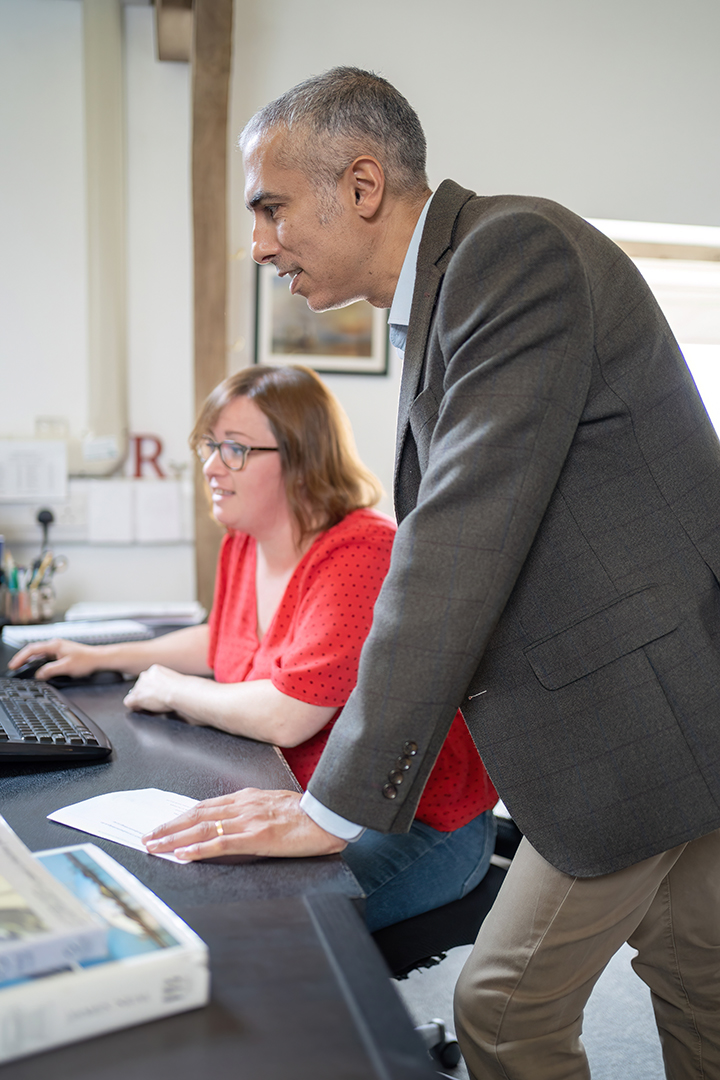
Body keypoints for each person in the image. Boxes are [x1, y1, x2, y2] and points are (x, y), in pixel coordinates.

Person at [136, 68, 720, 1079]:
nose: (261, 242)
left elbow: (455, 541)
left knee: (503, 1007)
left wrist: (332, 808)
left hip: (636, 721)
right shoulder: (446, 293)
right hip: (646, 710)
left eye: (271, 208)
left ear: (361, 186)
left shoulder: (511, 252)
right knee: (697, 976)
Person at [9, 363, 498, 933]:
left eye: (235, 449)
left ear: (302, 458)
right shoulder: (246, 540)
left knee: (265, 922)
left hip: (413, 824)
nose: (212, 467)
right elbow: (227, 640)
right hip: (304, 800)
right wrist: (106, 655)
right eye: (209, 447)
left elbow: (290, 714)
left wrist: (172, 689)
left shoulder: (361, 553)